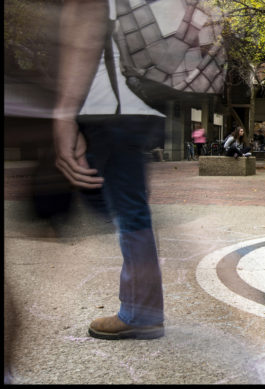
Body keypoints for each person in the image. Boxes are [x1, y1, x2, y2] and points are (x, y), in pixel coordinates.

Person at [52, 0, 165, 339]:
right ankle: (143, 307)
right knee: (126, 202)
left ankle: (141, 311)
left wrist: (65, 113)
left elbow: (86, 25)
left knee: (120, 204)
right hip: (142, 100)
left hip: (110, 101)